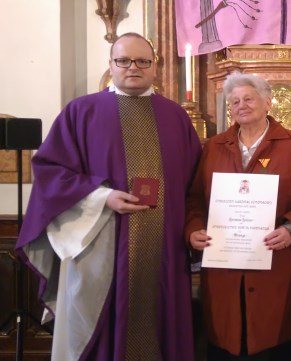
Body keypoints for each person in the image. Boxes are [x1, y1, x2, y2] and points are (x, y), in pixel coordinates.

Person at [15, 32, 201, 361]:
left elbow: (194, 186)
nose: (133, 67)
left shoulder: (176, 117)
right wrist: (103, 197)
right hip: (102, 248)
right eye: (123, 60)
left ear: (154, 66)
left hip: (165, 252)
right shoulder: (81, 112)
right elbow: (50, 172)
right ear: (110, 64)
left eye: (143, 61)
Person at [185, 72, 291, 361]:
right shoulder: (214, 147)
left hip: (276, 267)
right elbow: (195, 199)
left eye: (248, 98)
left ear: (268, 102)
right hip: (223, 271)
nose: (241, 105)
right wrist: (193, 229)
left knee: (274, 346)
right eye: (234, 102)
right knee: (225, 342)